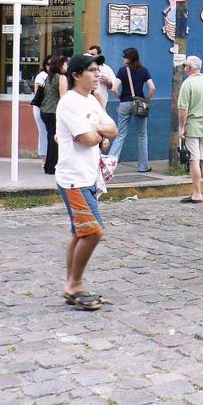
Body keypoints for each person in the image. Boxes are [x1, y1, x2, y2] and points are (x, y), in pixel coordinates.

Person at [55, 53, 118, 311]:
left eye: (97, 70)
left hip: (88, 176)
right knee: (93, 232)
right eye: (92, 70)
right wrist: (97, 132)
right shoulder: (70, 102)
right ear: (76, 75)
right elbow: (87, 139)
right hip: (73, 179)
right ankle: (75, 284)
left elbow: (112, 129)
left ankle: (72, 284)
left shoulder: (91, 100)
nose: (97, 75)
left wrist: (97, 130)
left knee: (79, 233)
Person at [109, 47, 155, 172]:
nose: (123, 58)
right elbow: (152, 88)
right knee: (142, 135)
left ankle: (110, 165)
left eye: (124, 56)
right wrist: (147, 100)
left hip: (125, 103)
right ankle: (143, 166)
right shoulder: (144, 70)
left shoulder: (122, 71)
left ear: (129, 58)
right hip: (140, 102)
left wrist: (120, 98)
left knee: (120, 135)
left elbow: (114, 88)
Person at [178, 55, 203, 203]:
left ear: (188, 67)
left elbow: (183, 108)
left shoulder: (187, 84)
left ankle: (197, 193)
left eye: (184, 66)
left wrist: (181, 127)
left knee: (194, 159)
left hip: (192, 126)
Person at [40, 54, 68, 175]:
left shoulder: (49, 77)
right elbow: (63, 97)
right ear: (60, 65)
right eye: (66, 63)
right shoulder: (61, 78)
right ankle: (53, 166)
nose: (67, 66)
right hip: (54, 112)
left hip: (45, 111)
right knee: (56, 139)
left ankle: (48, 166)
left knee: (50, 138)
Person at [31, 55, 51, 166]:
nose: (50, 66)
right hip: (41, 107)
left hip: (51, 108)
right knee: (43, 132)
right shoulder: (42, 76)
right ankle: (44, 159)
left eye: (52, 64)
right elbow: (38, 93)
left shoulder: (57, 76)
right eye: (48, 64)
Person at [87, 45, 116, 110]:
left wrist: (108, 82)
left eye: (92, 54)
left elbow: (114, 86)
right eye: (89, 54)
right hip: (87, 103)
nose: (90, 56)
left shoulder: (107, 69)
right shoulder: (85, 67)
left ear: (99, 55)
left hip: (101, 104)